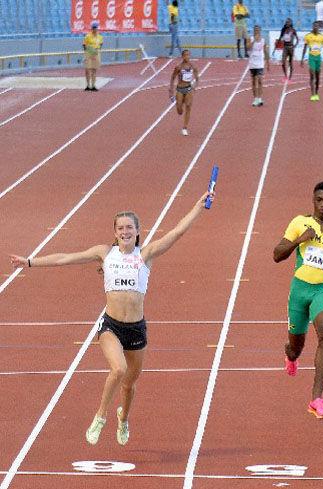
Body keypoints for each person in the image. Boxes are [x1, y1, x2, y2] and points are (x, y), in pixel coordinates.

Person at [10, 192, 214, 446]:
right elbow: (65, 258)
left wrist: (197, 208)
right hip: (111, 326)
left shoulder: (146, 254)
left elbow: (177, 233)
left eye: (130, 227)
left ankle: (123, 418)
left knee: (129, 385)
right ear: (115, 232)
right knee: (118, 369)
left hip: (136, 329)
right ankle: (100, 417)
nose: (125, 231)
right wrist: (30, 262)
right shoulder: (104, 253)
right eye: (120, 228)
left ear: (138, 231)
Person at [273, 181, 323, 420]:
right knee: (296, 345)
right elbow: (277, 255)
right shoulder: (300, 223)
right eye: (319, 200)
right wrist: (300, 240)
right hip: (299, 290)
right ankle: (291, 356)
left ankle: (316, 398)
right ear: (313, 200)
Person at [169, 49, 200, 137]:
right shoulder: (178, 67)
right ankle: (178, 105)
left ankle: (185, 128)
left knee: (188, 107)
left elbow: (197, 78)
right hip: (180, 89)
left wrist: (195, 86)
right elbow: (172, 77)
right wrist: (171, 90)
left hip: (189, 89)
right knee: (179, 110)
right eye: (185, 55)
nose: (187, 57)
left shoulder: (193, 66)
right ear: (182, 56)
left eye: (188, 55)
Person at [301, 22, 323, 102]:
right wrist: (302, 59)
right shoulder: (308, 36)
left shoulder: (322, 37)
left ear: (319, 27)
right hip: (311, 57)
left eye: (317, 26)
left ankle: (316, 93)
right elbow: (305, 47)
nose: (316, 28)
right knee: (312, 75)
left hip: (318, 58)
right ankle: (313, 94)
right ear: (312, 27)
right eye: (314, 26)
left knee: (318, 77)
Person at [247, 25, 269, 107]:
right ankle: (255, 98)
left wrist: (268, 62)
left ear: (260, 31)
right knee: (253, 81)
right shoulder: (251, 39)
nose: (256, 31)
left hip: (260, 63)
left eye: (258, 30)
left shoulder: (263, 40)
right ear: (253, 31)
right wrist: (254, 41)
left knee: (259, 79)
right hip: (252, 63)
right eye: (255, 30)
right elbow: (248, 48)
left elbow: (265, 51)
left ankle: (259, 98)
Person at [83, 21, 103, 91]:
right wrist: (91, 50)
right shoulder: (88, 36)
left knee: (94, 70)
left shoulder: (100, 37)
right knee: (88, 70)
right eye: (94, 27)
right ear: (92, 28)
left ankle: (93, 85)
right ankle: (88, 85)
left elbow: (101, 45)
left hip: (96, 53)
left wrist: (97, 50)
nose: (95, 29)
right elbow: (84, 46)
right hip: (89, 53)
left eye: (96, 27)